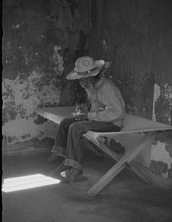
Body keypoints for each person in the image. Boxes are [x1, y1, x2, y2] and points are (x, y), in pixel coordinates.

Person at [48, 56, 126, 184]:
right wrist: (86, 108)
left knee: (75, 127)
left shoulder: (106, 88)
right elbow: (96, 106)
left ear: (91, 76)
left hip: (112, 123)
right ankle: (67, 162)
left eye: (81, 79)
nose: (80, 83)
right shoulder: (91, 86)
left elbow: (117, 113)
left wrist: (89, 116)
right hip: (100, 120)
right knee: (66, 123)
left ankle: (75, 169)